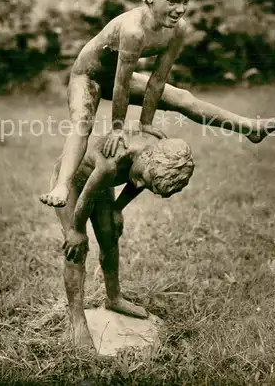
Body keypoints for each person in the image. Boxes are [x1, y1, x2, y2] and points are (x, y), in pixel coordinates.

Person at [40, 0, 275, 209]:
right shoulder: (133, 31)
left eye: (185, 1)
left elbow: (157, 80)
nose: (180, 9)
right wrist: (117, 128)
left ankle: (248, 127)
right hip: (89, 76)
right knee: (83, 122)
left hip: (116, 77)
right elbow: (121, 83)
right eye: (172, 1)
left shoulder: (177, 29)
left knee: (182, 97)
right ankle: (62, 185)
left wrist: (146, 123)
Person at [48, 129, 194, 348]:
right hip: (73, 185)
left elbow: (137, 181)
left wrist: (117, 208)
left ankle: (114, 297)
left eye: (149, 186)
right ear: (145, 157)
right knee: (76, 247)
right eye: (146, 181)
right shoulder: (111, 163)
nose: (142, 186)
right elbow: (87, 196)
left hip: (99, 183)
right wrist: (77, 230)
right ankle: (77, 318)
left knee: (109, 237)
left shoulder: (155, 152)